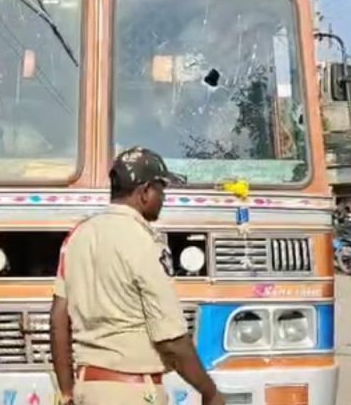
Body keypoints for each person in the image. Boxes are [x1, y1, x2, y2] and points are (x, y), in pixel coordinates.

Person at [51, 147, 223, 405]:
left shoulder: (77, 237)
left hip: (87, 389)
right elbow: (171, 340)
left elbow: (57, 321)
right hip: (134, 392)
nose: (163, 197)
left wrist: (66, 392)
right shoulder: (145, 242)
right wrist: (210, 392)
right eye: (161, 188)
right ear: (144, 192)